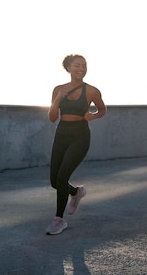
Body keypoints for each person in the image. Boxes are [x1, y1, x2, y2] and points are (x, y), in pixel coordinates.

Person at [45, 54, 107, 235]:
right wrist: (57, 99)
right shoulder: (58, 89)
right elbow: (51, 118)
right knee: (55, 182)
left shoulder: (92, 91)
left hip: (80, 135)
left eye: (84, 65)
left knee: (62, 177)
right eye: (77, 65)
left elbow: (103, 109)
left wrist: (93, 115)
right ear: (68, 68)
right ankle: (76, 192)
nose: (81, 68)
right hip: (62, 133)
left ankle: (59, 220)